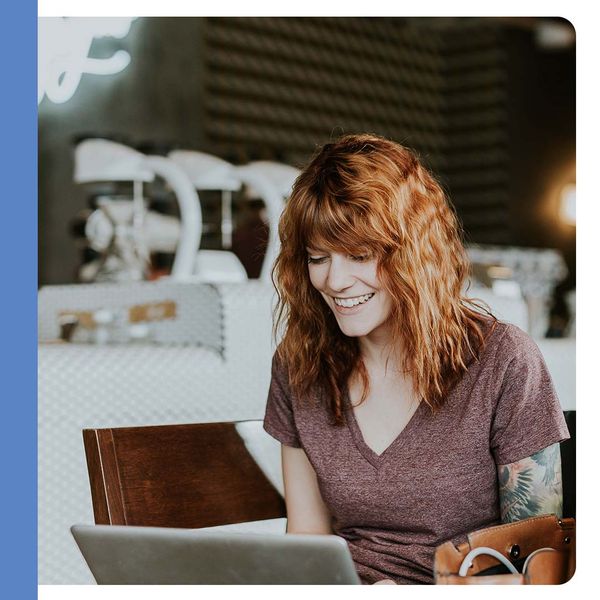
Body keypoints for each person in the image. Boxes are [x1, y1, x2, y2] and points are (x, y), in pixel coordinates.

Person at [262, 133, 570, 585]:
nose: (335, 280)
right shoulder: (299, 366)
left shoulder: (502, 361)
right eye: (318, 257)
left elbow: (540, 567)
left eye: (360, 255)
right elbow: (307, 541)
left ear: (414, 253)